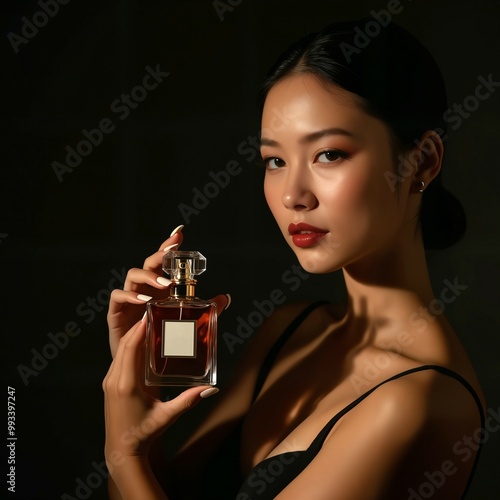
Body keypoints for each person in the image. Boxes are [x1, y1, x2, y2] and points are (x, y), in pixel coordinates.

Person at [103, 19, 486, 499]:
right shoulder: (290, 330)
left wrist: (127, 454)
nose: (292, 196)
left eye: (328, 154)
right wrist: (139, 395)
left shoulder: (417, 400)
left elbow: (132, 477)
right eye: (275, 161)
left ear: (423, 161)